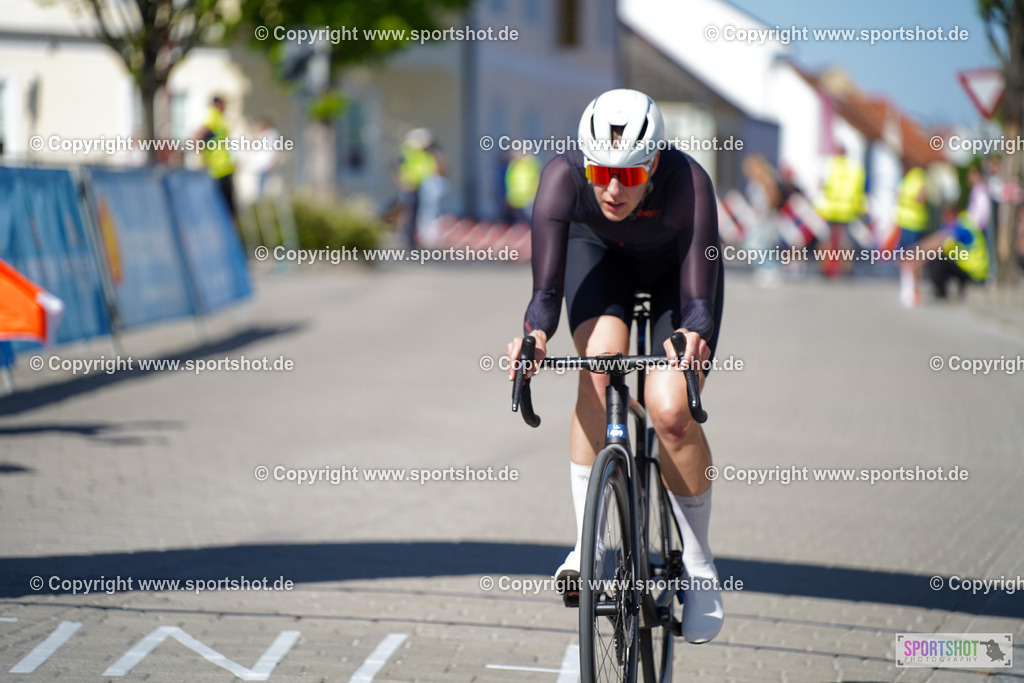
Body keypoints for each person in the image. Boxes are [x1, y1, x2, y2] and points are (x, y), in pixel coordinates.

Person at [504, 89, 725, 644]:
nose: (611, 188)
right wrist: (532, 337)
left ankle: (699, 569)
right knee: (598, 367)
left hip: (676, 276)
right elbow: (545, 296)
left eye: (628, 175)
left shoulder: (689, 182)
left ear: (653, 163)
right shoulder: (563, 177)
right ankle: (588, 544)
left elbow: (698, 304)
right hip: (598, 259)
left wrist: (692, 337)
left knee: (670, 409)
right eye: (601, 171)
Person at [917, 204, 989, 300]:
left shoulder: (963, 226)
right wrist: (915, 250)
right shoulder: (959, 223)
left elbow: (940, 243)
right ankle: (946, 289)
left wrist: (918, 261)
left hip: (974, 270)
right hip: (966, 265)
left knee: (936, 261)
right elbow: (936, 237)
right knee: (938, 257)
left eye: (947, 215)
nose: (945, 219)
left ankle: (941, 292)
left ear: (955, 213)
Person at [815, 145, 865, 277]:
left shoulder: (829, 165)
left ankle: (824, 269)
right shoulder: (855, 169)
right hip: (848, 209)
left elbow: (821, 185)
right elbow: (859, 190)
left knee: (825, 240)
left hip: (830, 208)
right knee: (846, 242)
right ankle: (847, 270)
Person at [194, 96, 237, 221]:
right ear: (218, 104)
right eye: (224, 105)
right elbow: (197, 137)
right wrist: (202, 160)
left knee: (227, 207)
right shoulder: (214, 116)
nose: (225, 108)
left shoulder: (217, 117)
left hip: (223, 168)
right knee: (226, 208)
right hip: (219, 169)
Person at [895, 166, 929, 308]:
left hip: (914, 223)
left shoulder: (919, 177)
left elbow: (921, 198)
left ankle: (914, 288)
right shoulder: (908, 177)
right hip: (904, 222)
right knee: (904, 256)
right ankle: (907, 287)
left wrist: (906, 200)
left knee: (912, 256)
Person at [504, 151, 542, 224]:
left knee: (529, 223)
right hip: (514, 201)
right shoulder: (513, 165)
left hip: (528, 200)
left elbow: (537, 177)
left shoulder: (531, 163)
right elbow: (510, 182)